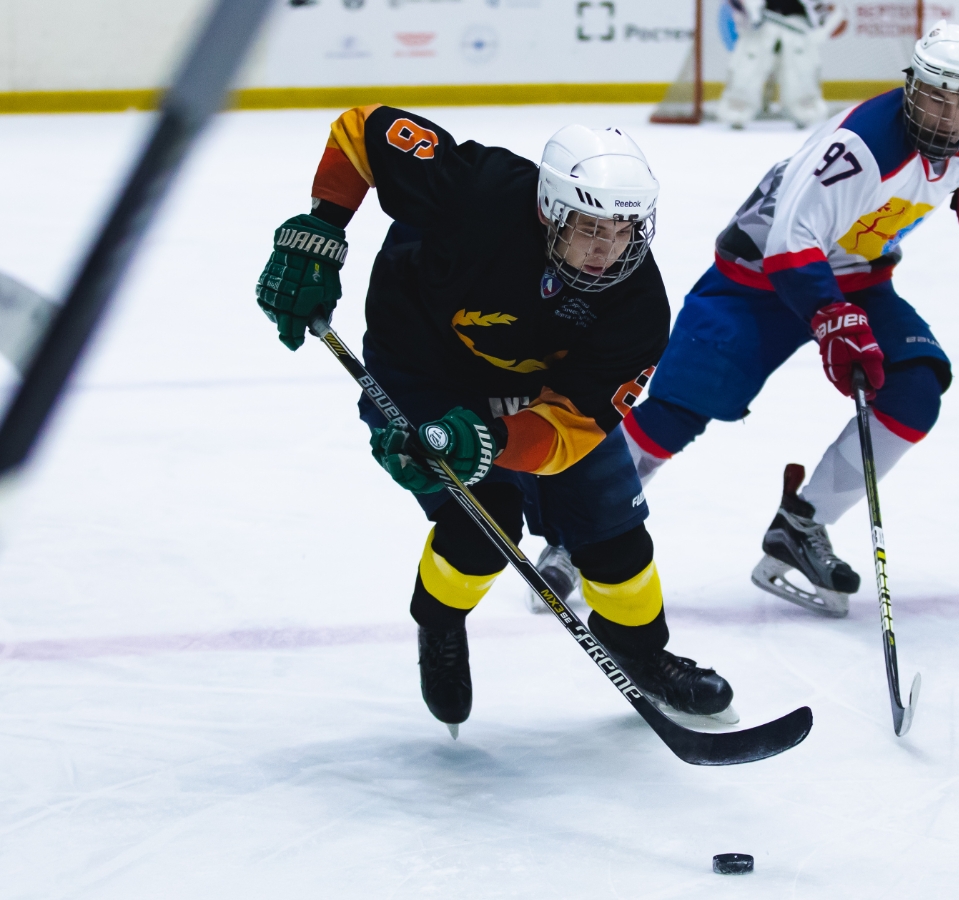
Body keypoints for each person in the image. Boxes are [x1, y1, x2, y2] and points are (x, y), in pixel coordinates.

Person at [253, 106, 736, 734]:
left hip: (539, 396)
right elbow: (362, 130)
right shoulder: (476, 189)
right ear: (548, 209)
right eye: (588, 226)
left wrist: (490, 442)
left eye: (623, 230)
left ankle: (641, 650)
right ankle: (440, 622)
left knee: (616, 537)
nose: (605, 250)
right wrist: (320, 231)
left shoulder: (638, 306)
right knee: (483, 526)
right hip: (422, 368)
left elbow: (570, 428)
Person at [622, 22, 959, 616]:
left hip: (860, 274)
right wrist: (830, 317)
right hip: (761, 273)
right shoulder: (862, 147)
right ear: (911, 87)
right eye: (934, 96)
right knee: (680, 405)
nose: (945, 116)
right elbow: (789, 243)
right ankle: (583, 527)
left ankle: (800, 527)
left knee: (914, 390)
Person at [718, 0, 832, 129]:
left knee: (801, 67)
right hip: (761, 19)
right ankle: (738, 107)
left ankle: (804, 108)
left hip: (797, 19)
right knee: (747, 66)